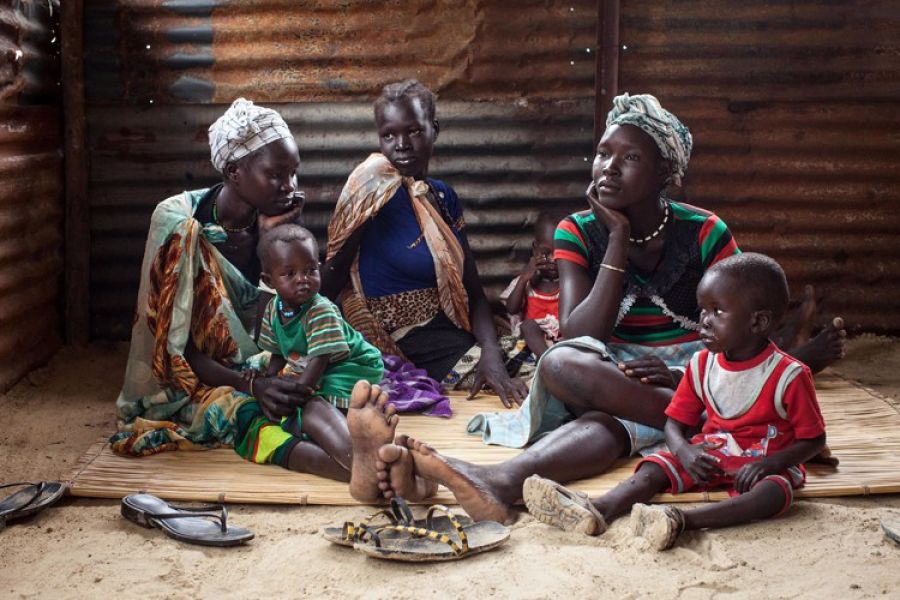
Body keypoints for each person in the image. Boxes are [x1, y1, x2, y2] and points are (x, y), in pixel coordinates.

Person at [368, 93, 844, 524]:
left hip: (699, 375)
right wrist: (615, 238)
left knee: (605, 426)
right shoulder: (577, 231)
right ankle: (726, 428)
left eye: (630, 158)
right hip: (612, 370)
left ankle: (502, 481)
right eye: (603, 154)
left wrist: (686, 380)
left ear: (664, 173)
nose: (608, 168)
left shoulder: (704, 231)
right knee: (561, 362)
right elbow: (578, 334)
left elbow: (741, 328)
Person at [110, 99, 398, 501]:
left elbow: (289, 314)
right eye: (276, 175)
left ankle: (362, 460)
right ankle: (360, 468)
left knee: (301, 395)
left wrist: (275, 232)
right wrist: (251, 384)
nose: (290, 186)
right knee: (244, 414)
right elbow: (174, 349)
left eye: (293, 172)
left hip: (261, 361)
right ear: (233, 172)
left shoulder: (273, 218)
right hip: (198, 377)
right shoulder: (181, 224)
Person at [523, 253, 827, 551]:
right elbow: (675, 424)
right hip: (709, 457)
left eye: (717, 311)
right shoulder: (700, 365)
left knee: (774, 493)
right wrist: (684, 451)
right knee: (655, 467)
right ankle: (599, 508)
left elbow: (813, 440)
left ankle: (682, 520)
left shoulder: (789, 375)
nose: (703, 322)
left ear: (758, 322)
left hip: (764, 463)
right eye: (702, 310)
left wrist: (770, 464)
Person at [321, 79, 528, 408]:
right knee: (533, 381)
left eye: (414, 131)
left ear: (434, 130)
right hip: (404, 340)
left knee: (539, 358)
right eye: (389, 134)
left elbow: (473, 292)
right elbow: (327, 284)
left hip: (449, 329)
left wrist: (491, 353)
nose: (401, 144)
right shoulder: (369, 194)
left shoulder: (443, 197)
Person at [500, 212, 561, 360]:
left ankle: (549, 360)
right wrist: (524, 279)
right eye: (546, 253)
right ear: (535, 249)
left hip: (560, 340)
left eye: (559, 253)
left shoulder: (570, 283)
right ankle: (545, 359)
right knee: (527, 326)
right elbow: (512, 309)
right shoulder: (526, 283)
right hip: (531, 342)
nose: (552, 260)